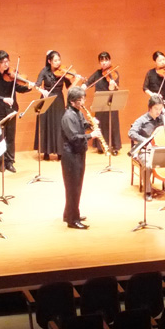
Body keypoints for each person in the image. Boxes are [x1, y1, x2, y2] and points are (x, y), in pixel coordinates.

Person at [0, 50, 34, 173]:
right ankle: (2, 161)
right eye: (3, 62)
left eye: (7, 61)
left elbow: (18, 88)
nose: (6, 64)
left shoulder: (12, 75)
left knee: (11, 136)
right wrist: (3, 99)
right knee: (0, 137)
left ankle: (10, 162)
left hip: (12, 109)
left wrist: (28, 87)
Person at [61, 87, 101, 230]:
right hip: (71, 156)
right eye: (80, 100)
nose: (83, 102)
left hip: (78, 153)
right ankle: (73, 220)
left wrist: (91, 124)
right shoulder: (68, 117)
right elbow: (74, 137)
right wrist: (91, 136)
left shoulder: (77, 112)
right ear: (72, 101)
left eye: (83, 99)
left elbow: (82, 125)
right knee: (73, 188)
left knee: (75, 187)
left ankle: (69, 214)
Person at [128, 94, 165, 201]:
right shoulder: (142, 120)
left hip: (161, 149)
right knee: (148, 165)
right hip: (146, 150)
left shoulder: (163, 118)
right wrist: (145, 141)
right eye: (156, 108)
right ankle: (148, 191)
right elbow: (131, 133)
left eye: (160, 109)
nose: (158, 111)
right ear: (150, 108)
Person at [33, 50, 72, 161]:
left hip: (58, 99)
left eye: (59, 60)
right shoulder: (44, 71)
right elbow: (37, 85)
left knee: (59, 125)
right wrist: (42, 91)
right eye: (55, 60)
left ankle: (60, 152)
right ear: (49, 61)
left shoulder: (63, 71)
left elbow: (69, 87)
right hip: (46, 98)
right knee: (46, 124)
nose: (58, 62)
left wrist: (76, 80)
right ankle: (46, 151)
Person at [84, 51, 122, 155]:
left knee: (112, 123)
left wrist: (111, 86)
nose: (104, 62)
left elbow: (113, 89)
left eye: (106, 60)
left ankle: (114, 147)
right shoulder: (97, 73)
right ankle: (101, 146)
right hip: (100, 102)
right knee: (100, 123)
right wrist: (83, 87)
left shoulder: (114, 73)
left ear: (110, 61)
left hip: (111, 102)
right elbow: (88, 82)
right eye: (102, 61)